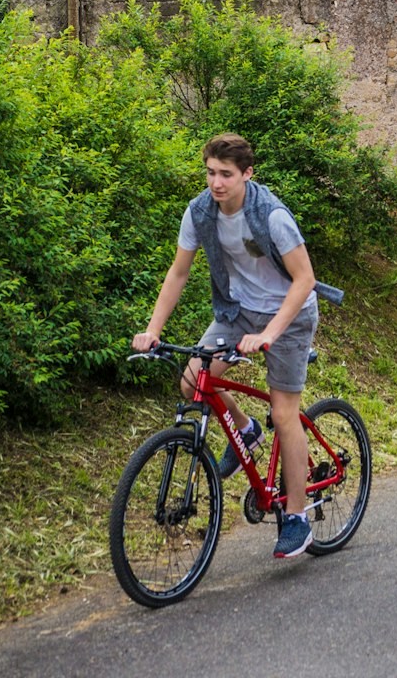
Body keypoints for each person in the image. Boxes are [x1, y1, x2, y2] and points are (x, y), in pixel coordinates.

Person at [133, 133, 326, 559]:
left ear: (246, 174)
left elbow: (305, 280)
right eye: (210, 172)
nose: (216, 183)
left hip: (289, 315)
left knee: (284, 412)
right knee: (192, 383)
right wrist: (152, 330)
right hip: (237, 313)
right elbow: (178, 273)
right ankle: (244, 429)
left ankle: (296, 517)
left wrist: (272, 333)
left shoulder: (271, 215)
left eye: (225, 174)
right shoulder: (200, 213)